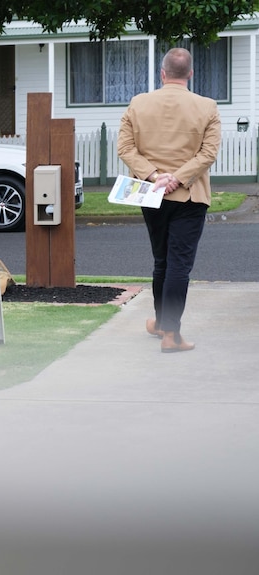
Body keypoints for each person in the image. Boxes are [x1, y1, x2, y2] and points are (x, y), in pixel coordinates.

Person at [117, 47, 221, 353]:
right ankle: (171, 335)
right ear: (190, 74)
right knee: (178, 266)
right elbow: (208, 153)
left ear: (162, 74)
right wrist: (178, 177)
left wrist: (153, 176)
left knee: (162, 260)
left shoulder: (138, 103)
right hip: (190, 195)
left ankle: (163, 323)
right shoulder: (207, 107)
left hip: (151, 194)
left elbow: (125, 147)